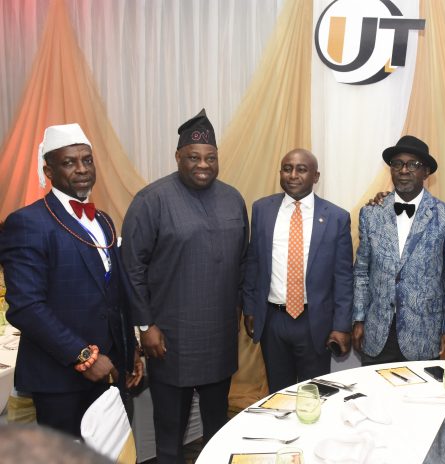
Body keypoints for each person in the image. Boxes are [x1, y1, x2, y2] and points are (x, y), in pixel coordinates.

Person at [121, 109, 248, 463]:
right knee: (170, 435)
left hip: (219, 337)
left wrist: (241, 309)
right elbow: (132, 268)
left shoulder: (233, 198)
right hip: (169, 339)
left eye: (210, 157)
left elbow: (242, 261)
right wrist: (145, 326)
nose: (203, 165)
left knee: (217, 427)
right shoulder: (151, 200)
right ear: (178, 157)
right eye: (193, 157)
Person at [0, 123, 142, 437]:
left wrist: (131, 347)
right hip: (60, 378)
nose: (81, 169)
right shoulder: (28, 222)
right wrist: (84, 356)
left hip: (112, 369)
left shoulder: (103, 220)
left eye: (87, 160)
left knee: (114, 451)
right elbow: (26, 306)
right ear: (48, 171)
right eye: (69, 162)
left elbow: (116, 293)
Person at [242, 149, 352, 392]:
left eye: (301, 169)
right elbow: (254, 262)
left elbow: (344, 278)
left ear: (316, 176)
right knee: (278, 392)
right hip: (273, 320)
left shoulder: (336, 217)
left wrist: (341, 325)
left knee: (313, 393)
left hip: (315, 322)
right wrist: (250, 308)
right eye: (287, 168)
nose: (293, 175)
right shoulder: (262, 209)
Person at [352, 135, 445, 365]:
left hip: (424, 335)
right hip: (377, 332)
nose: (404, 170)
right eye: (397, 164)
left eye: (413, 164)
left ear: (426, 172)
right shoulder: (371, 213)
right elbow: (362, 272)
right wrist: (359, 318)